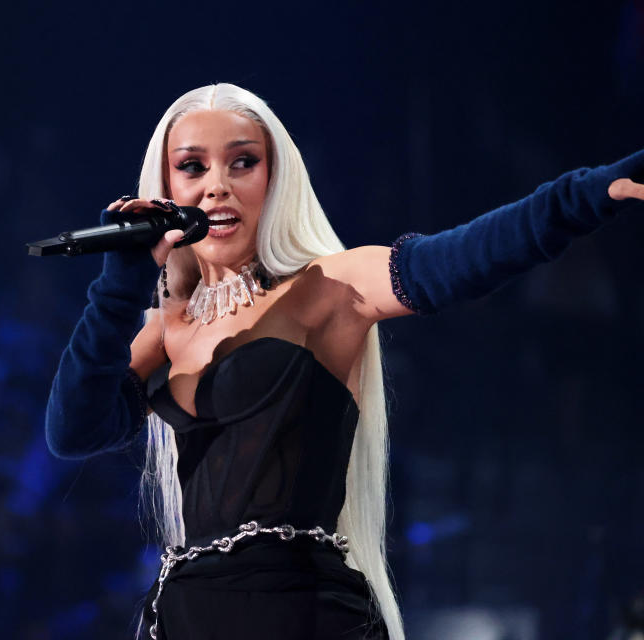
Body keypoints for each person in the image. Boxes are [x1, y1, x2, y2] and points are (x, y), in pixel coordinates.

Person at [43, 83, 644, 640]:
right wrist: (119, 286)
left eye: (243, 162)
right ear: (168, 190)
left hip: (303, 610)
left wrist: (590, 192)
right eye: (193, 166)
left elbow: (469, 256)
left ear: (275, 178)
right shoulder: (163, 328)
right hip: (187, 616)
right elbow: (73, 430)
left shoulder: (328, 287)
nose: (217, 185)